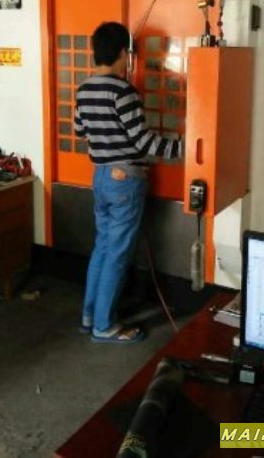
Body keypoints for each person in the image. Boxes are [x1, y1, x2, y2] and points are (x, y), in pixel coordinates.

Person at [74, 22, 182, 343]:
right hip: (124, 182)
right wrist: (184, 149)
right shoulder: (124, 92)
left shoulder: (84, 89)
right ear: (123, 52)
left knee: (103, 247)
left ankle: (89, 316)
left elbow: (80, 131)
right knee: (118, 255)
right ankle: (104, 327)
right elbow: (143, 142)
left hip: (100, 177)